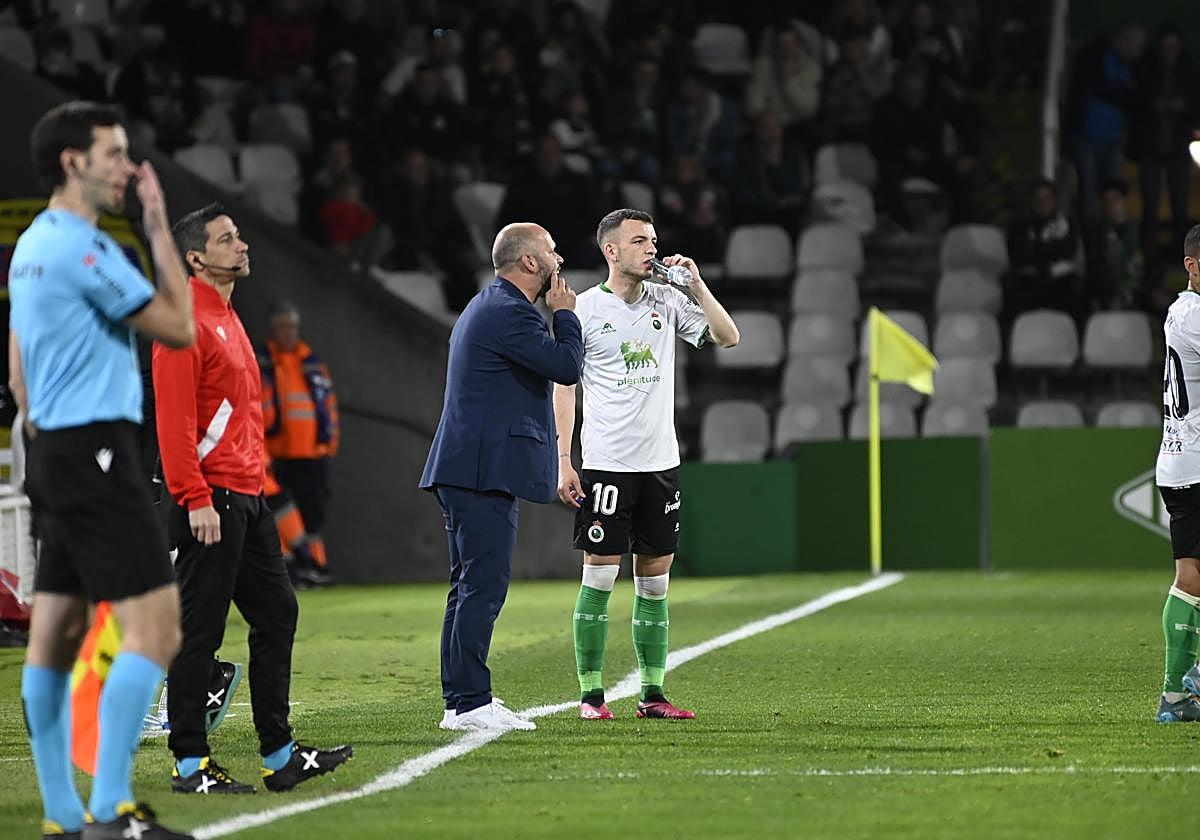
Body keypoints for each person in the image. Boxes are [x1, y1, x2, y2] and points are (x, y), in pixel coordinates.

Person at [11, 101, 196, 840]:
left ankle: (61, 815)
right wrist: (156, 222)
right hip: (97, 448)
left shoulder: (33, 244)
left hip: (50, 450)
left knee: (54, 631)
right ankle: (112, 808)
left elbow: (19, 370)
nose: (129, 168)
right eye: (115, 153)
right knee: (156, 629)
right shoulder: (86, 250)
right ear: (72, 161)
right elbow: (178, 328)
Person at [153, 203, 351, 793]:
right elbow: (174, 423)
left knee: (277, 614)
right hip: (210, 499)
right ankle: (189, 763)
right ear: (196, 258)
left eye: (239, 236)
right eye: (226, 239)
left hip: (248, 495)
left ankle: (280, 755)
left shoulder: (229, 318)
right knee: (200, 631)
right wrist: (194, 498)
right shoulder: (185, 320)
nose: (242, 246)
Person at [553, 208, 740, 721]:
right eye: (639, 241)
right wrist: (565, 458)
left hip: (661, 464)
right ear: (610, 251)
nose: (651, 248)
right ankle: (591, 697)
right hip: (607, 465)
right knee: (598, 579)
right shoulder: (585, 309)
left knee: (655, 584)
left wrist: (697, 285)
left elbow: (728, 337)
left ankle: (652, 694)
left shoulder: (668, 301)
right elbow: (564, 387)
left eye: (653, 239)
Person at [419, 223, 582, 732]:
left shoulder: (490, 306)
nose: (558, 258)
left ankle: (461, 701)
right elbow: (565, 365)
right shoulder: (509, 313)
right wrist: (565, 316)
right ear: (530, 263)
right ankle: (469, 703)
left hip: (469, 467)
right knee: (482, 588)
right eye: (551, 251)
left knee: (468, 587)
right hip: (479, 471)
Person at [1154, 223, 1200, 722]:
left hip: (1180, 459)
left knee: (1190, 576)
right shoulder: (1194, 315)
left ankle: (1175, 697)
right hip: (1196, 460)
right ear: (1191, 263)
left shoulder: (1180, 313)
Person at [259, 301, 338, 584]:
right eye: (281, 327)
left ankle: (315, 566)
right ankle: (299, 567)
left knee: (313, 515)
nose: (286, 333)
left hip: (313, 454)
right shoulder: (263, 362)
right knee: (280, 514)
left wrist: (329, 447)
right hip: (278, 455)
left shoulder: (312, 363)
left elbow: (328, 407)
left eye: (290, 326)